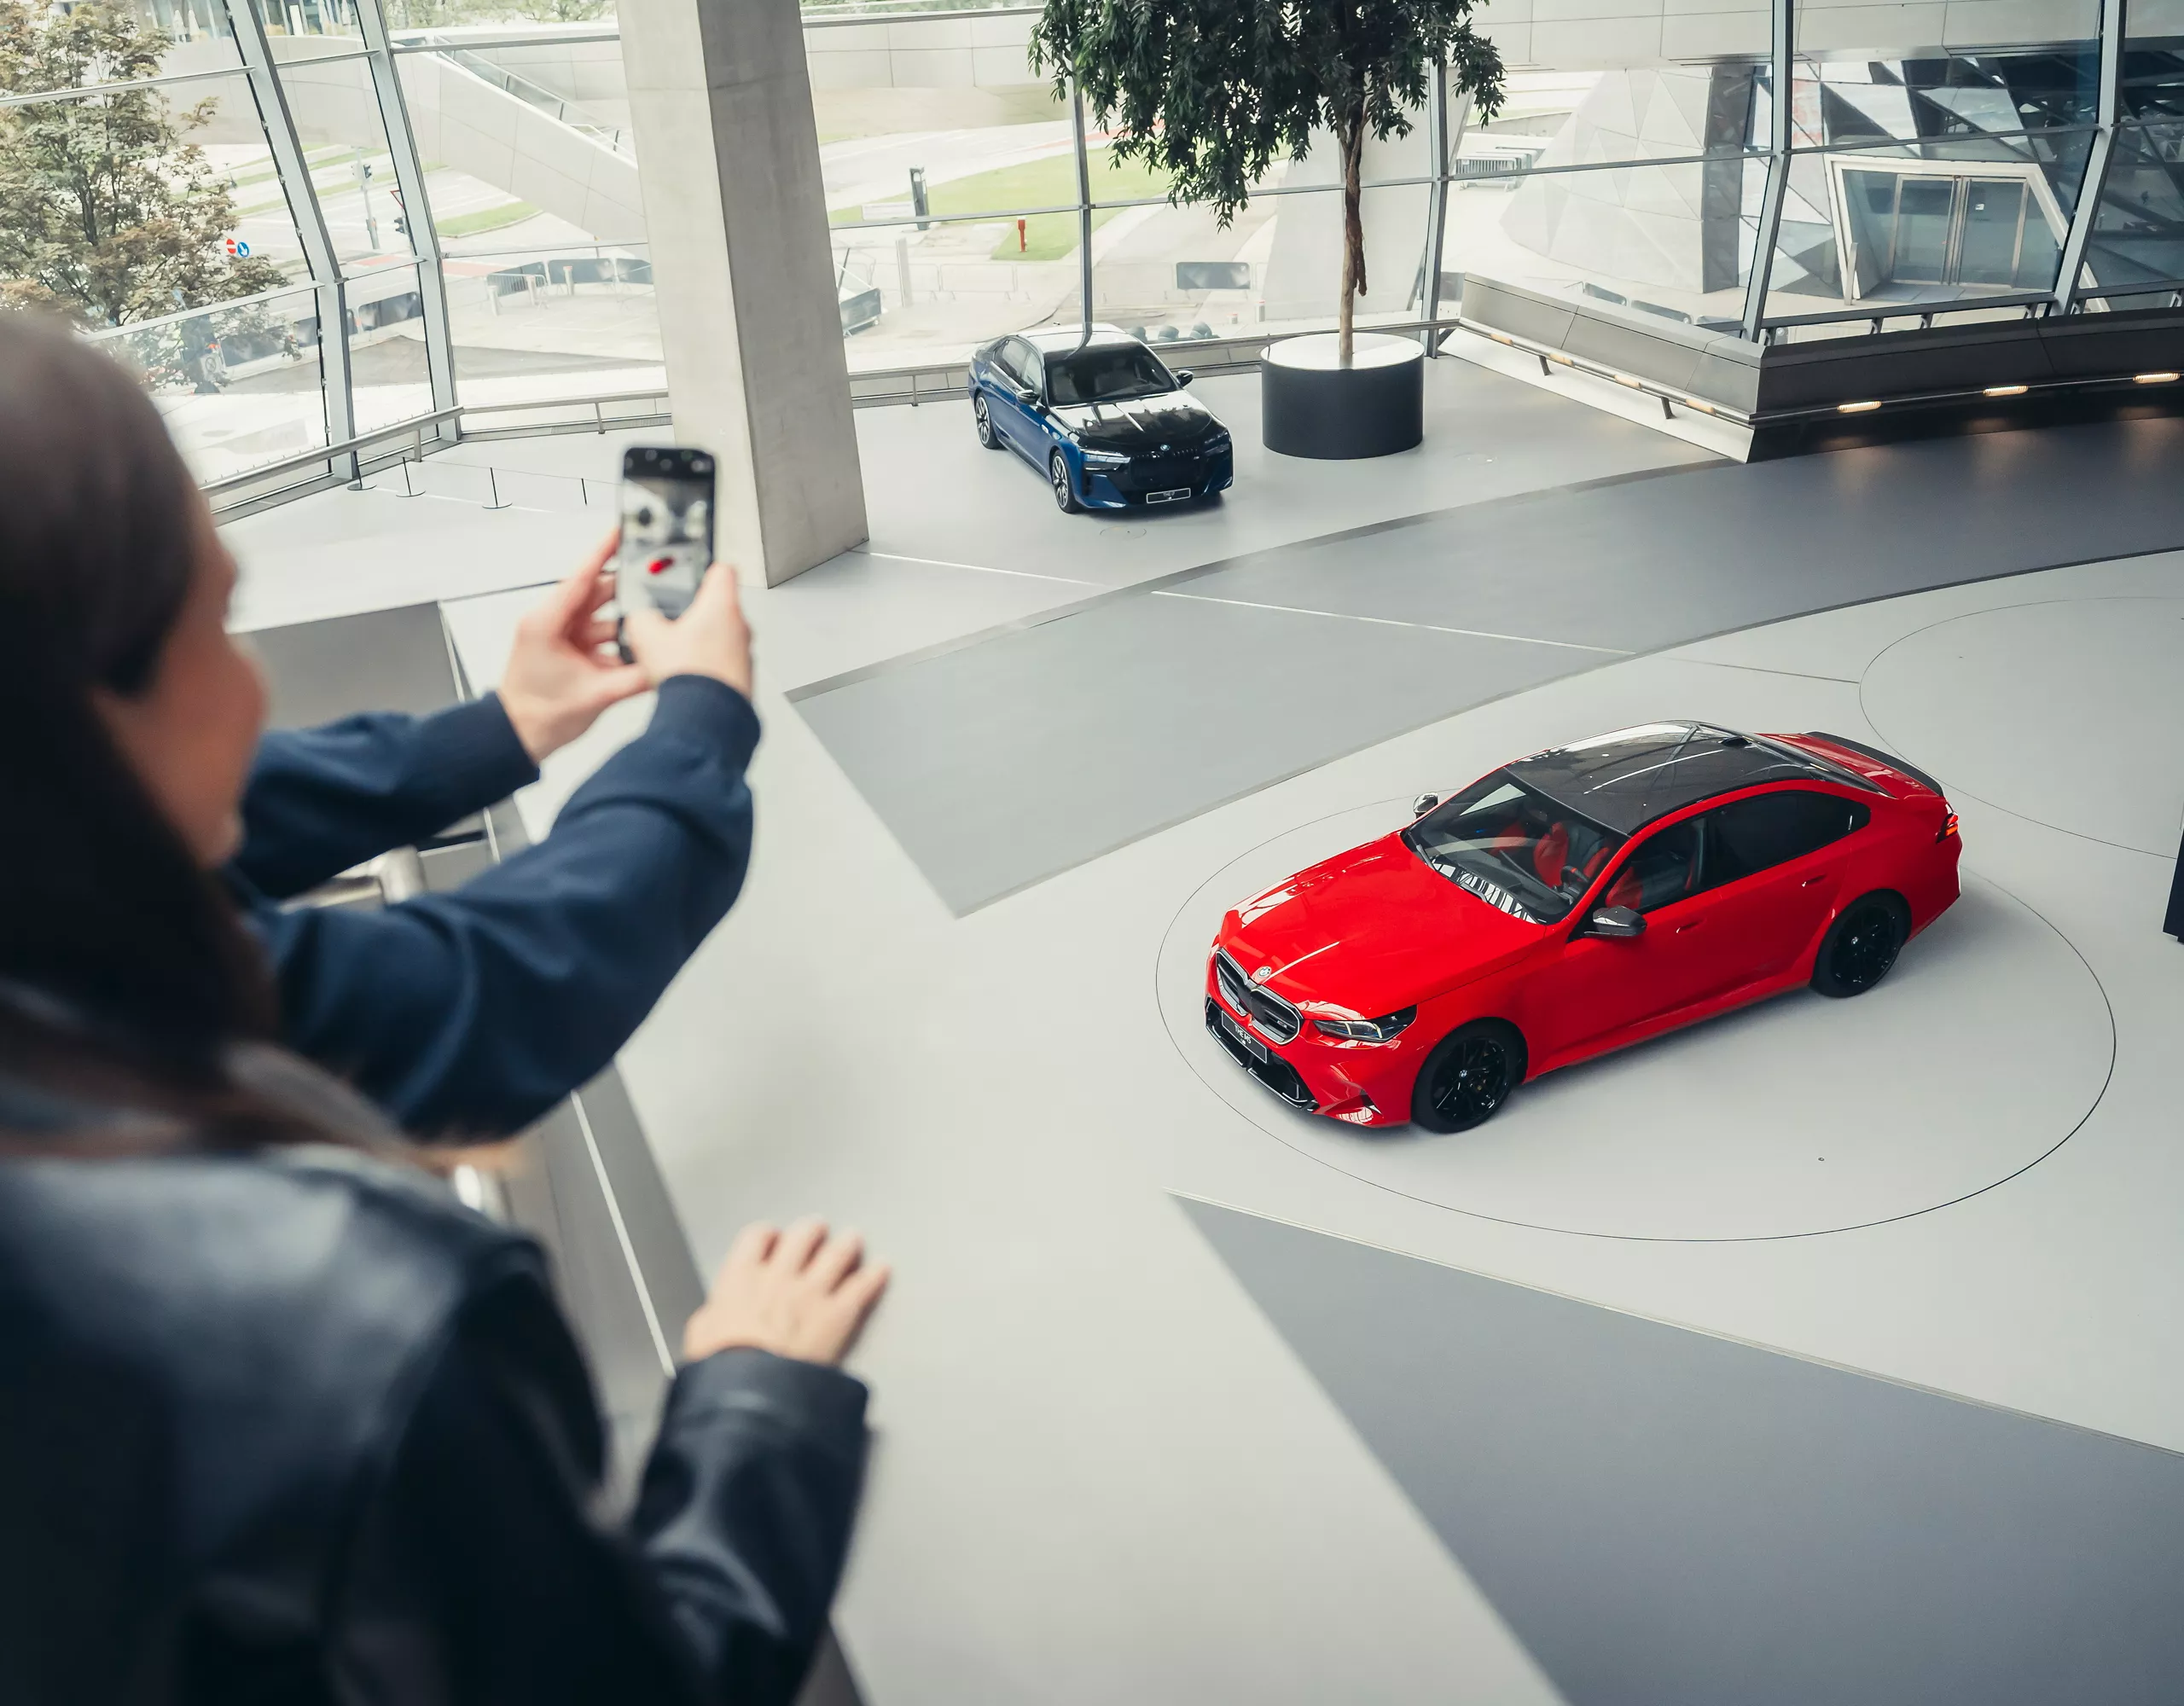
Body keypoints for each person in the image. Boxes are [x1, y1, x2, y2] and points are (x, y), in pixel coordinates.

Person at [0, 312, 889, 1703]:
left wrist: (501, 728)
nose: (253, 687)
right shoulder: (375, 1325)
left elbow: (188, 814)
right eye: (211, 627)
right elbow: (489, 980)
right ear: (64, 733)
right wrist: (754, 1404)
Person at [235, 532, 758, 1137]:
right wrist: (703, 718)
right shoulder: (143, 991)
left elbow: (236, 800)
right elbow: (477, 993)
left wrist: (513, 721)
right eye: (217, 619)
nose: (255, 685)